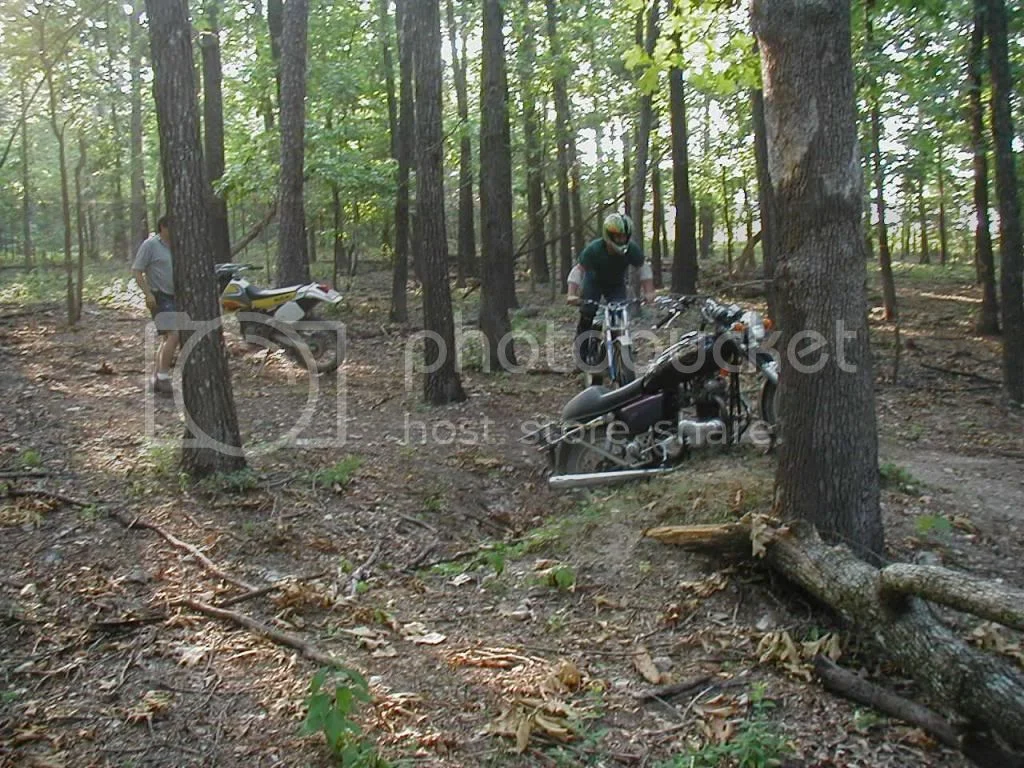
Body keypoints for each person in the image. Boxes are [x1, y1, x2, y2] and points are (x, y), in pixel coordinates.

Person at [568, 212, 653, 368]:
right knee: (588, 312)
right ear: (608, 235)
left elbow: (643, 268)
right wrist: (571, 294)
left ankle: (619, 350)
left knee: (619, 314)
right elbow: (578, 270)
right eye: (617, 236)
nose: (621, 240)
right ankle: (581, 355)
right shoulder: (594, 249)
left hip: (616, 284)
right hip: (593, 282)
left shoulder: (631, 249)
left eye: (624, 236)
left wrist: (649, 292)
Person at [131, 216, 179, 396]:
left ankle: (156, 379)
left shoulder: (178, 246)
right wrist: (148, 293)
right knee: (174, 334)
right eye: (172, 227)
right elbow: (137, 271)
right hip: (159, 296)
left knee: (168, 338)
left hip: (176, 297)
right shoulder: (150, 245)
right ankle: (164, 378)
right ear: (163, 227)